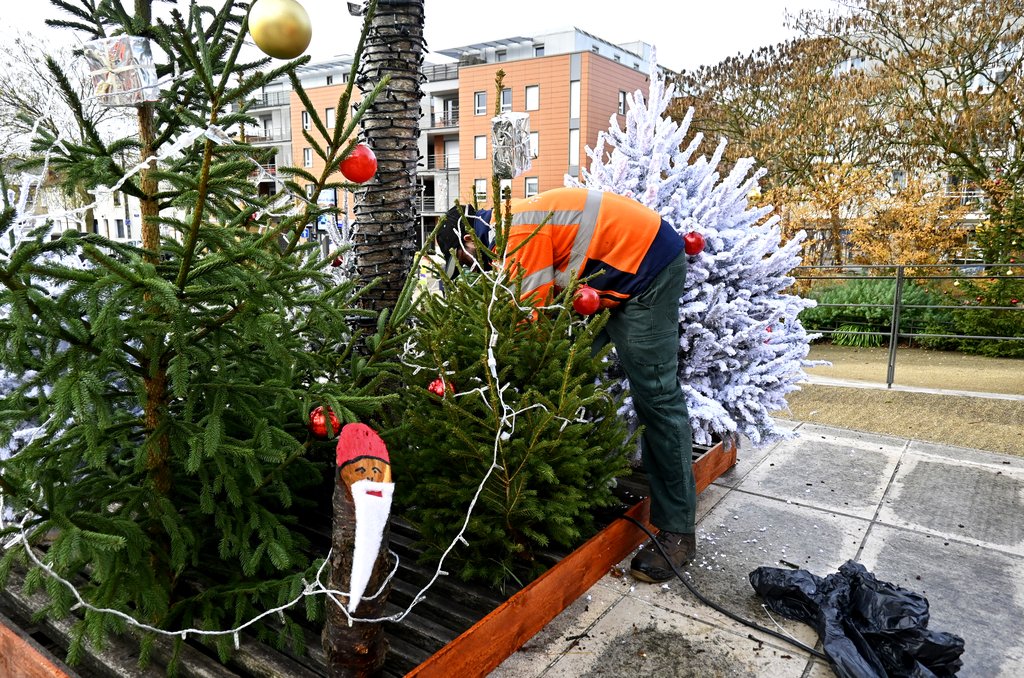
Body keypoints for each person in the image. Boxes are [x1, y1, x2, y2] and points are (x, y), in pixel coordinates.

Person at [494, 187, 697, 583]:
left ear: (472, 242)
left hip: (649, 269)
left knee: (656, 397)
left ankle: (678, 531)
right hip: (608, 277)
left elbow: (528, 323)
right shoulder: (517, 221)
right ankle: (568, 492)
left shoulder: (520, 229)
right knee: (569, 371)